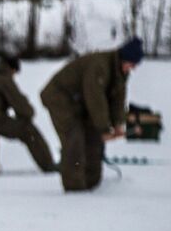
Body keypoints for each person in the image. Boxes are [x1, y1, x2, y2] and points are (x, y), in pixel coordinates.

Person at [40, 38, 142, 192]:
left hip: (80, 102)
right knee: (75, 137)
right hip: (59, 98)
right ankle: (74, 188)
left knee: (94, 137)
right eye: (132, 64)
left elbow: (117, 99)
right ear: (124, 57)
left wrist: (118, 124)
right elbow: (95, 98)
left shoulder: (120, 72)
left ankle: (91, 182)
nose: (133, 68)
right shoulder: (100, 66)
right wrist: (104, 127)